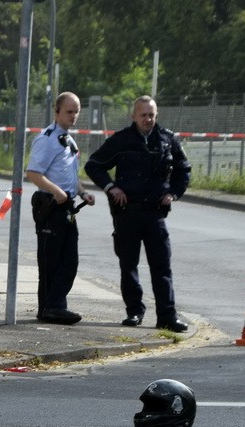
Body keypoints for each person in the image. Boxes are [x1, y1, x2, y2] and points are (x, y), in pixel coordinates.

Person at [85, 95, 191, 332]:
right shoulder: (122, 140)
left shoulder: (167, 139)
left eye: (151, 114)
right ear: (134, 116)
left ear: (156, 114)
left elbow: (184, 169)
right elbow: (94, 165)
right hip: (128, 213)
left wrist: (173, 193)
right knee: (128, 265)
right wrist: (111, 187)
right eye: (143, 115)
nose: (148, 119)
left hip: (155, 214)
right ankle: (134, 311)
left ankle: (167, 316)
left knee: (162, 267)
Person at [25, 92, 96, 325]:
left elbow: (70, 175)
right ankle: (49, 307)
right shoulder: (47, 138)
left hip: (66, 205)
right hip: (50, 204)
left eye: (76, 111)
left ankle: (56, 304)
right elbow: (33, 174)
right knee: (50, 261)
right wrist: (56, 191)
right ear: (57, 111)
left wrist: (82, 192)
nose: (74, 116)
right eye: (69, 111)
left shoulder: (68, 140)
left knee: (70, 260)